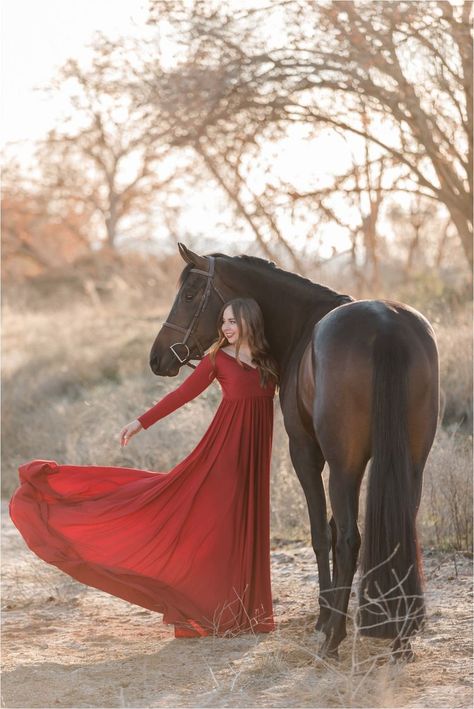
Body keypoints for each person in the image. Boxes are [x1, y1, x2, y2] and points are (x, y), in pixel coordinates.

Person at [9, 297, 279, 639]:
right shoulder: (216, 360)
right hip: (223, 453)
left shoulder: (270, 359)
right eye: (223, 321)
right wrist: (141, 422)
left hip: (256, 457)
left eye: (232, 321)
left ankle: (245, 614)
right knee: (209, 521)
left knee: (247, 523)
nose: (226, 328)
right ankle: (206, 609)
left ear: (250, 322)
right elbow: (181, 395)